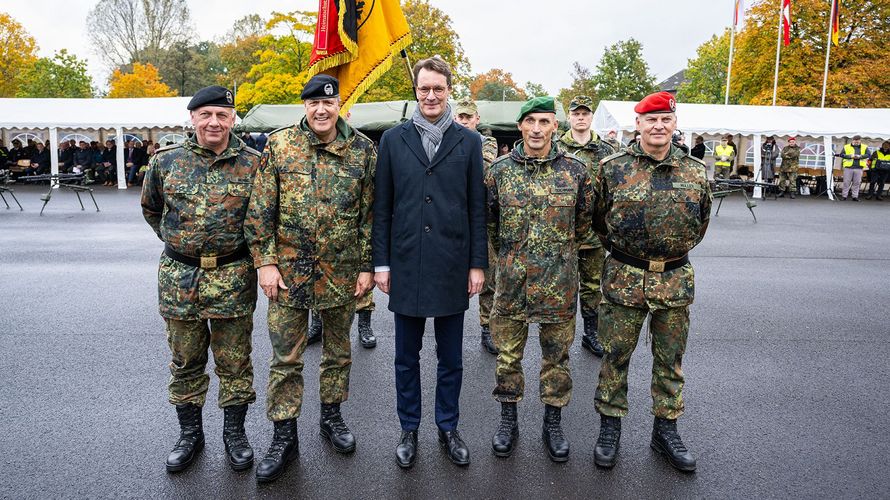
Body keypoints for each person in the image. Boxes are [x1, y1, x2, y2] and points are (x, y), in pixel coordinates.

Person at [245, 75, 375, 482]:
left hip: (342, 271)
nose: (321, 110)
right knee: (286, 358)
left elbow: (371, 215)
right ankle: (284, 435)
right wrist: (265, 262)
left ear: (340, 105)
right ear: (304, 106)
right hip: (288, 273)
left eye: (329, 103)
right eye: (313, 103)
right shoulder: (280, 146)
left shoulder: (363, 150)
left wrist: (368, 266)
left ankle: (331, 417)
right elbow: (259, 211)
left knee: (338, 352)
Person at [372, 57, 487, 469]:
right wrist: (380, 264)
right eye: (424, 89)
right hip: (405, 263)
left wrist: (478, 264)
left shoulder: (469, 143)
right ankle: (409, 427)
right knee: (406, 356)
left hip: (453, 264)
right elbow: (382, 207)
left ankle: (448, 426)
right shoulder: (392, 140)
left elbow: (477, 208)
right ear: (416, 90)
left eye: (438, 88)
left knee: (451, 357)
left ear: (449, 90)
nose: (431, 96)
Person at [141, 85, 261, 474]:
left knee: (235, 362)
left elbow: (262, 218)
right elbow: (152, 209)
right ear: (192, 118)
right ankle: (190, 435)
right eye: (206, 114)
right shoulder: (166, 162)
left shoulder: (254, 164)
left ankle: (234, 434)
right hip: (181, 279)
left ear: (232, 119)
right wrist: (183, 246)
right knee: (186, 361)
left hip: (232, 277)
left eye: (222, 115)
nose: (214, 122)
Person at [591, 91, 710, 473]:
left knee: (670, 361)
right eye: (651, 119)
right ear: (638, 124)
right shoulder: (612, 168)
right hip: (625, 279)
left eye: (665, 119)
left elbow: (701, 222)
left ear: (674, 124)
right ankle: (610, 428)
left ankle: (666, 431)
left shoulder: (694, 170)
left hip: (674, 281)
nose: (658, 126)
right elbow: (597, 220)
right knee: (615, 357)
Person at [487, 96, 592, 462]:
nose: (536, 129)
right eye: (529, 121)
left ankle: (553, 422)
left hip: (558, 285)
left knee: (556, 358)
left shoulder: (576, 171)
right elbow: (491, 224)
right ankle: (508, 420)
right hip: (511, 285)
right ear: (519, 126)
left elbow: (583, 225)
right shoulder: (499, 171)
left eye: (544, 122)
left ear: (555, 127)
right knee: (507, 357)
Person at [556, 95, 614, 357]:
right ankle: (560, 335)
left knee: (592, 285)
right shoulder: (556, 146)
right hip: (562, 230)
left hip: (593, 231)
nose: (580, 117)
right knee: (563, 285)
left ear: (591, 117)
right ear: (569, 117)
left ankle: (591, 333)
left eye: (585, 113)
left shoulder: (607, 150)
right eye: (576, 113)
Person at [454, 98, 499, 355]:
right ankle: (447, 332)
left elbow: (482, 168)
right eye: (460, 117)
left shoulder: (487, 142)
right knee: (450, 278)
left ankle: (487, 328)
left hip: (482, 220)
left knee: (488, 278)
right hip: (456, 218)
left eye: (468, 118)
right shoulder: (444, 140)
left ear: (476, 119)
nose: (464, 121)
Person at [841, 135, 869, 201]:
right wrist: (850, 156)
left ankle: (855, 197)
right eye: (855, 140)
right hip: (848, 167)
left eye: (857, 140)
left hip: (859, 167)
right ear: (852, 140)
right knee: (846, 182)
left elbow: (868, 155)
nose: (856, 141)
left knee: (857, 182)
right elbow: (841, 155)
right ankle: (844, 196)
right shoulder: (846, 146)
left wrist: (860, 156)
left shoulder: (864, 147)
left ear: (860, 140)